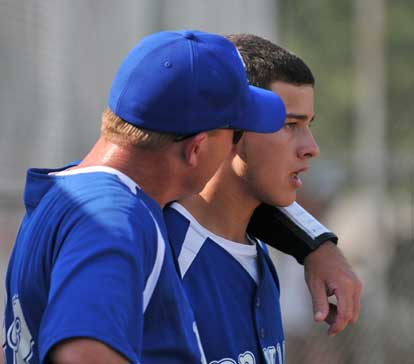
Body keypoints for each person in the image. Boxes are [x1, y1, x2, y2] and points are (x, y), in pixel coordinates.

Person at [2, 30, 287, 364]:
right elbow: (83, 355)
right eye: (233, 135)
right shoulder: (113, 219)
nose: (233, 148)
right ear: (196, 148)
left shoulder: (68, 196)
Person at [163, 34, 362, 364]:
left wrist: (319, 244)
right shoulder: (159, 247)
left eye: (309, 124)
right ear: (233, 131)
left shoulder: (259, 252)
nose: (312, 147)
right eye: (288, 125)